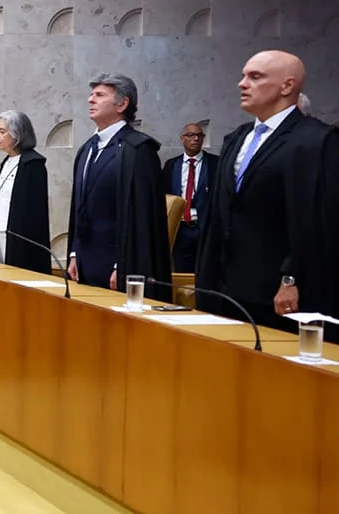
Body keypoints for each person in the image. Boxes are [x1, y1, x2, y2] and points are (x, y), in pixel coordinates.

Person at [196, 51, 339, 330]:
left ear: (287, 86)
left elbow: (318, 220)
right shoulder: (237, 138)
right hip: (227, 287)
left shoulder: (316, 141)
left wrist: (291, 278)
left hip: (279, 293)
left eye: (255, 76)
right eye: (243, 75)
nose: (242, 83)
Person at [66, 73, 170, 293]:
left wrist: (124, 266)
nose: (90, 99)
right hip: (84, 266)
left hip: (119, 269)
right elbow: (80, 208)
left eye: (100, 95)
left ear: (122, 104)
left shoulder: (138, 150)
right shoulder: (87, 149)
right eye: (91, 94)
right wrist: (75, 253)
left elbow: (141, 218)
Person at [0, 110, 51, 272]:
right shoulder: (6, 161)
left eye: (2, 131)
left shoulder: (33, 164)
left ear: (18, 134)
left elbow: (35, 213)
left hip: (18, 238)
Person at [161, 123, 216, 274]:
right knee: (182, 272)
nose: (196, 139)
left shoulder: (215, 164)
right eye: (191, 135)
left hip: (205, 227)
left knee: (207, 272)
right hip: (181, 228)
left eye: (200, 135)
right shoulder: (172, 165)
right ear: (182, 139)